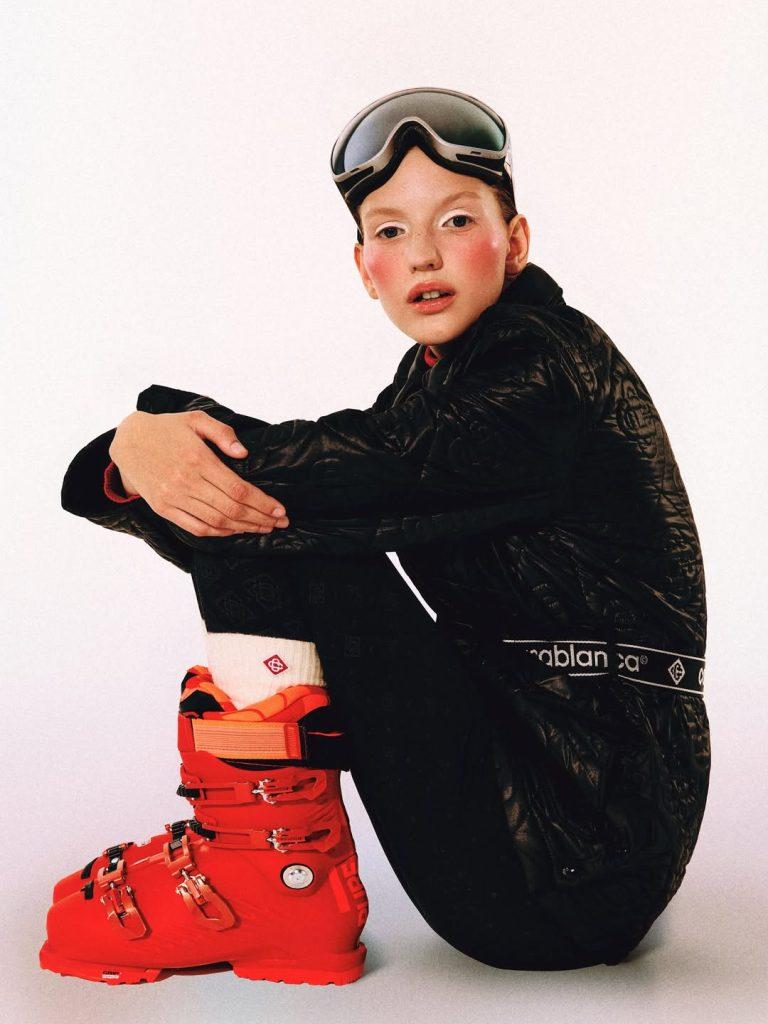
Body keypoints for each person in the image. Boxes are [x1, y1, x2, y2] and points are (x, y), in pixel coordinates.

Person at [39, 87, 711, 983]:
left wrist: (145, 436)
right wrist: (141, 452)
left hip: (568, 857)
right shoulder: (442, 371)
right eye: (391, 231)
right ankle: (266, 866)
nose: (424, 253)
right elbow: (291, 498)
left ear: (514, 243)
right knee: (268, 519)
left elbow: (330, 478)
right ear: (366, 268)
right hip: (545, 808)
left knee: (274, 517)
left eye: (457, 220)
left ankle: (268, 882)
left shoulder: (539, 369)